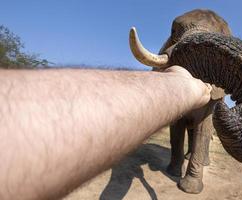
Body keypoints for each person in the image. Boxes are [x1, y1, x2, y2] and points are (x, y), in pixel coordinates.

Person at [0, 65, 211, 200]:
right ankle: (176, 163)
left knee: (199, 135)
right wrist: (183, 87)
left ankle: (194, 170)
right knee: (177, 132)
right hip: (185, 85)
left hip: (204, 97)